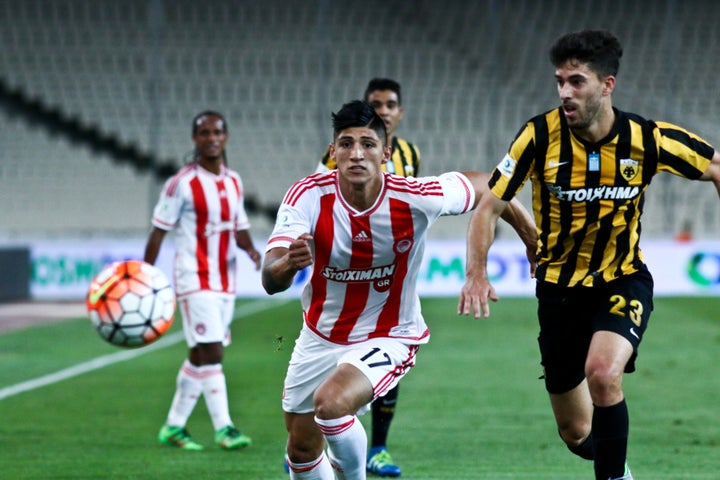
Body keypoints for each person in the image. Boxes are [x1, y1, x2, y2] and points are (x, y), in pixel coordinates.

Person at [458, 30, 720, 480]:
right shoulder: (538, 137)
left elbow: (715, 165)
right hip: (558, 291)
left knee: (602, 374)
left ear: (607, 84)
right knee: (577, 433)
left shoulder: (647, 138)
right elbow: (490, 205)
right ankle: (617, 467)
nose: (565, 91)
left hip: (622, 279)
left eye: (577, 81)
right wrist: (476, 272)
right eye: (560, 81)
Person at [263, 100, 537, 479]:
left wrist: (531, 238)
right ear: (332, 152)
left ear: (385, 152)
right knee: (302, 447)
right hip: (320, 336)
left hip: (390, 333)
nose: (356, 153)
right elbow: (269, 278)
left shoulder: (414, 197)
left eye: (368, 144)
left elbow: (491, 185)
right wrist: (285, 265)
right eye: (346, 144)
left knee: (330, 405)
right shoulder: (308, 196)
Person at [315, 77, 420, 477]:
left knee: (385, 369)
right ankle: (319, 444)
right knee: (333, 375)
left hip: (392, 278)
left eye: (390, 104)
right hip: (346, 282)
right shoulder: (340, 157)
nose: (384, 110)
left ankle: (377, 448)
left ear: (399, 112)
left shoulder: (410, 154)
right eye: (376, 104)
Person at [144, 110, 262, 451]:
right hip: (193, 277)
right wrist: (145, 276)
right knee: (212, 352)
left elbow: (239, 227)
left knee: (200, 354)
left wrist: (252, 252)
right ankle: (224, 428)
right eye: (204, 132)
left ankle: (173, 426)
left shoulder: (233, 181)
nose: (212, 137)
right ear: (195, 139)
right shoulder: (181, 183)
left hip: (225, 280)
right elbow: (158, 231)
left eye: (217, 132)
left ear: (225, 137)